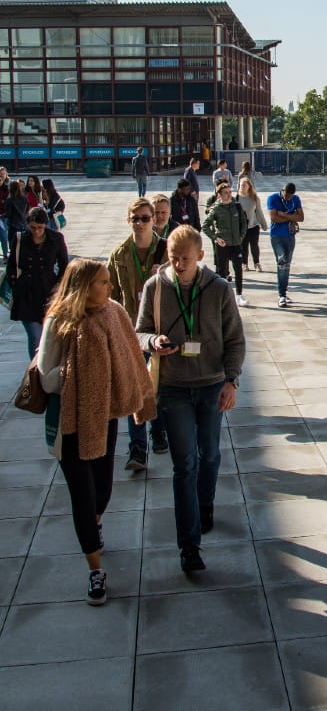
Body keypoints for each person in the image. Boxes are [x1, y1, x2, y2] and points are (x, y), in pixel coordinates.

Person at [38, 258, 155, 604]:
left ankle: (95, 523)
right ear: (84, 287)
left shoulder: (113, 312)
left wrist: (119, 387)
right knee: (83, 495)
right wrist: (83, 375)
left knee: (102, 488)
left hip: (103, 415)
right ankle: (95, 570)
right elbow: (46, 375)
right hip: (70, 421)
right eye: (103, 282)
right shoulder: (60, 320)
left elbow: (129, 354)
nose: (109, 287)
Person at [136, 226, 245, 572]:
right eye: (173, 258)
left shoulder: (218, 289)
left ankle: (206, 501)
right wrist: (152, 341)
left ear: (200, 255)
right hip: (174, 386)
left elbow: (235, 339)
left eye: (185, 258)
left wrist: (231, 380)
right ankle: (189, 545)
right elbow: (138, 331)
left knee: (209, 454)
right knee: (184, 464)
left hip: (212, 384)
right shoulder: (155, 287)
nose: (179, 265)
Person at [107, 197, 170, 470]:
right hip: (130, 330)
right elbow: (109, 297)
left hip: (160, 330)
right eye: (137, 219)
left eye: (146, 218)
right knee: (134, 389)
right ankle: (137, 448)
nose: (142, 223)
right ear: (128, 220)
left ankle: (158, 430)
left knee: (156, 386)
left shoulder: (166, 250)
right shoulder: (119, 255)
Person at [7, 206, 69, 358]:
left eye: (40, 228)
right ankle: (34, 371)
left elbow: (64, 265)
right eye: (33, 227)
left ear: (46, 225)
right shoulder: (20, 238)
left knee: (50, 336)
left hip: (49, 292)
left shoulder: (56, 238)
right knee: (35, 337)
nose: (36, 231)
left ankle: (46, 368)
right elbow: (11, 265)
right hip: (26, 293)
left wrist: (59, 288)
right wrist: (16, 286)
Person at [202, 180, 249, 307]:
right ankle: (221, 297)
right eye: (225, 193)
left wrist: (241, 236)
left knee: (238, 270)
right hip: (223, 245)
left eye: (230, 192)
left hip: (236, 244)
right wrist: (215, 238)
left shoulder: (237, 206)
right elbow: (205, 226)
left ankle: (239, 295)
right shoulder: (216, 209)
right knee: (222, 272)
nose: (228, 195)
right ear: (219, 195)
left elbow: (244, 222)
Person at [267, 183, 303, 308]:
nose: (288, 198)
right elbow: (273, 218)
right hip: (277, 235)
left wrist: (283, 214)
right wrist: (292, 217)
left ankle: (284, 291)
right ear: (282, 191)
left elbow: (301, 217)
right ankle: (281, 295)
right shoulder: (273, 198)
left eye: (290, 196)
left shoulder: (296, 199)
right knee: (281, 262)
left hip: (290, 236)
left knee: (286, 265)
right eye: (286, 195)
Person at [237, 177, 268, 272]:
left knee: (254, 245)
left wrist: (264, 224)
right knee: (244, 246)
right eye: (241, 185)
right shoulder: (236, 198)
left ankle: (257, 263)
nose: (242, 187)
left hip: (253, 225)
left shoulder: (254, 198)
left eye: (244, 185)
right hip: (242, 227)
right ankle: (244, 263)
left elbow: (259, 212)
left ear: (249, 187)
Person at [0, 166, 9, 260]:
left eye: (3, 174)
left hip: (4, 215)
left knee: (4, 235)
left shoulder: (8, 187)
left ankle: (6, 254)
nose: (1, 176)